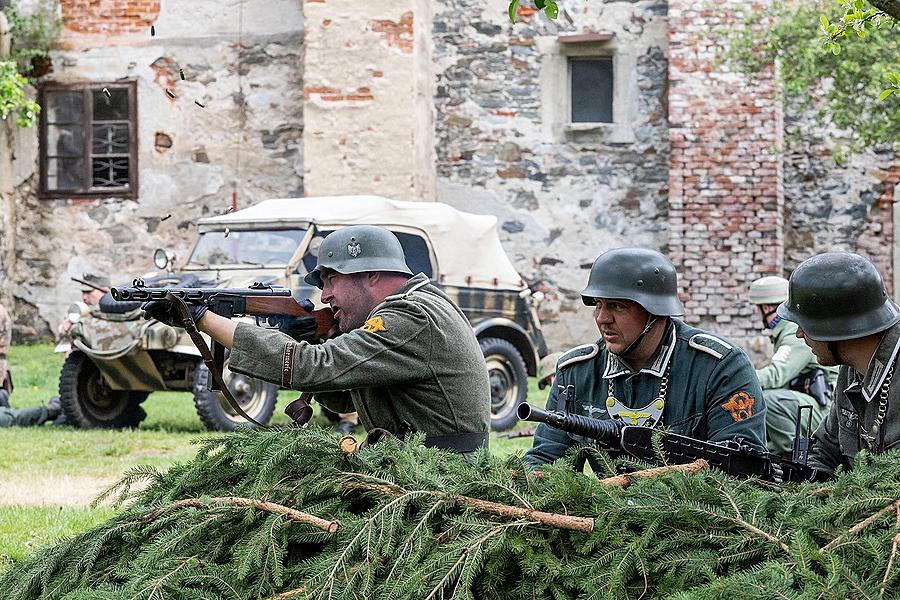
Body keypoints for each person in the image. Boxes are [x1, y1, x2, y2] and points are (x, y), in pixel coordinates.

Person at [144, 225, 491, 453]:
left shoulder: (410, 317)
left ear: (369, 275)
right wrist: (317, 339)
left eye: (330, 280)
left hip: (442, 480)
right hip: (418, 469)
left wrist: (202, 319)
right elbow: (344, 401)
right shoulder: (414, 306)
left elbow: (314, 368)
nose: (323, 295)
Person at [524, 248, 767, 470]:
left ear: (655, 311)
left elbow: (741, 468)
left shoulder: (721, 368)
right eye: (598, 304)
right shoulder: (576, 372)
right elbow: (545, 459)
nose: (602, 318)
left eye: (617, 306)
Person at [777, 252, 900, 476]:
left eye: (806, 325)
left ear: (835, 327)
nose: (798, 333)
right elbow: (825, 450)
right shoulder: (851, 369)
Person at [748, 275, 837, 456]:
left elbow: (776, 374)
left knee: (769, 400)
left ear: (765, 308)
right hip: (808, 402)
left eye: (757, 310)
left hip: (825, 409)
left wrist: (741, 379)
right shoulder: (784, 331)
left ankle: (793, 458)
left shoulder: (792, 332)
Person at [58, 272, 110, 337]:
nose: (84, 297)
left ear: (105, 291)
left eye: (89, 292)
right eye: (83, 292)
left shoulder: (120, 312)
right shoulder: (82, 313)